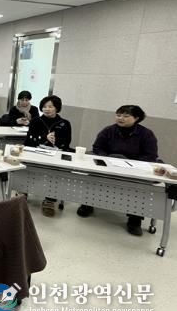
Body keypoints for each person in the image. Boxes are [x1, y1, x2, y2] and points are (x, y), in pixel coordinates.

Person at [77, 105, 159, 236]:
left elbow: (151, 156)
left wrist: (129, 162)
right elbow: (97, 147)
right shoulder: (108, 131)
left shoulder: (146, 134)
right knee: (92, 174)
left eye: (126, 116)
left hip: (134, 168)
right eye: (118, 115)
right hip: (108, 164)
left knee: (140, 186)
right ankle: (87, 204)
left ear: (136, 118)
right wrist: (107, 159)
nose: (120, 118)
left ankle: (135, 219)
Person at [24, 95, 72, 217]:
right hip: (36, 152)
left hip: (55, 155)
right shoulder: (36, 121)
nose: (47, 109)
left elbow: (66, 143)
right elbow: (29, 140)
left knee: (54, 172)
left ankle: (50, 200)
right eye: (44, 106)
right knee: (26, 168)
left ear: (57, 108)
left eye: (50, 106)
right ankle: (23, 192)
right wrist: (44, 138)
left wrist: (56, 140)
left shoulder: (64, 123)